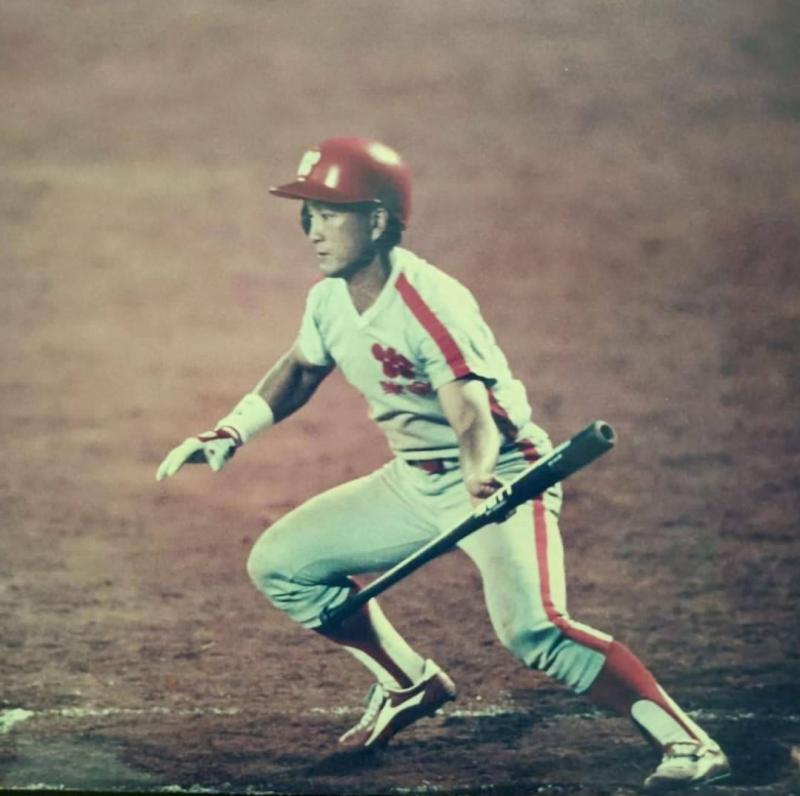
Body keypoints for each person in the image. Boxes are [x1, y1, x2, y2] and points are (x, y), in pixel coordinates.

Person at [156, 137, 730, 791]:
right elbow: (302, 368)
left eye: (329, 213)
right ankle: (408, 683)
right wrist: (233, 428)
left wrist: (480, 475)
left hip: (504, 477)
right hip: (413, 482)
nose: (312, 228)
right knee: (282, 564)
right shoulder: (329, 299)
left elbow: (471, 412)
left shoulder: (429, 303)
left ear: (377, 221)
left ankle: (689, 744)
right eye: (307, 213)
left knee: (534, 631)